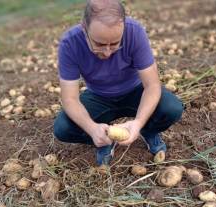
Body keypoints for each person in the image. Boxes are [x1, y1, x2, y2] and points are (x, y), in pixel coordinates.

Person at [53, 0, 183, 169]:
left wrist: (138, 123)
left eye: (114, 44)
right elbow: (70, 99)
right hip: (98, 97)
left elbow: (152, 86)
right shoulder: (70, 44)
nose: (107, 52)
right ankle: (103, 140)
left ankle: (149, 130)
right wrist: (92, 129)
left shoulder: (135, 32)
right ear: (84, 27)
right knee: (63, 128)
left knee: (172, 108)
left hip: (135, 91)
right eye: (99, 44)